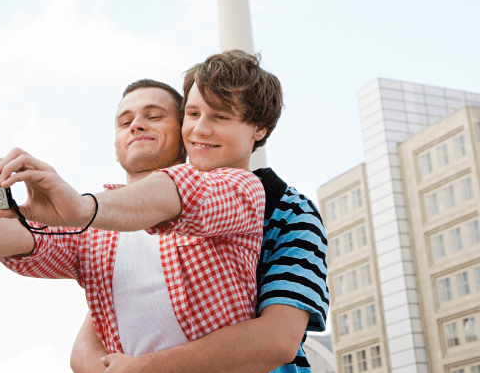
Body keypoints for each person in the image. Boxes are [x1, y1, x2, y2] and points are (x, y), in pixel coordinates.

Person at [0, 54, 324, 370]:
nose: (200, 129)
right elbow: (31, 239)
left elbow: (277, 339)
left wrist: (81, 208)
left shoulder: (259, 197)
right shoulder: (98, 223)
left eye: (155, 116)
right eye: (124, 120)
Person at [71, 55, 329, 373]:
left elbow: (277, 339)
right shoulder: (152, 209)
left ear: (259, 128)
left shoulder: (290, 212)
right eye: (192, 114)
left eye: (220, 117)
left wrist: (144, 368)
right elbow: (95, 333)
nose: (200, 129)